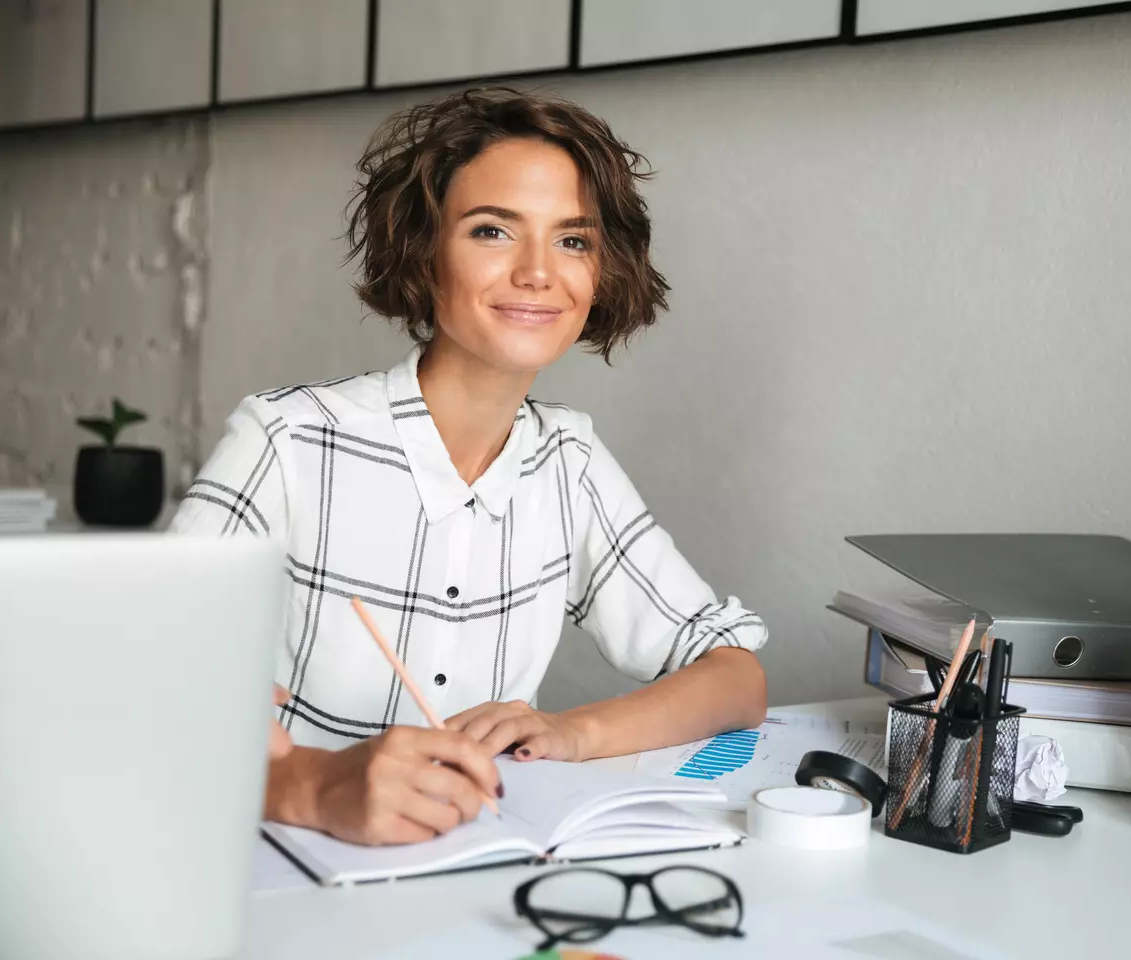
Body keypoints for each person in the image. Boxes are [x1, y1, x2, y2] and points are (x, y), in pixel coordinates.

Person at [173, 88, 768, 846]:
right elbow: (132, 676)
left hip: (477, 864)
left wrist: (570, 732)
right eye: (492, 231)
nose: (538, 272)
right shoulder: (287, 440)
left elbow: (735, 677)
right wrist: (311, 787)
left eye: (573, 241)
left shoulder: (569, 462)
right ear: (424, 252)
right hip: (278, 865)